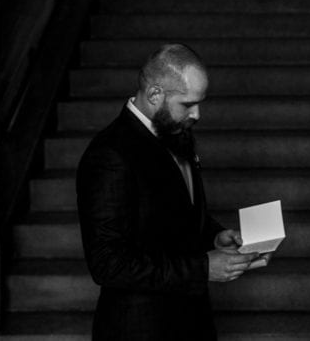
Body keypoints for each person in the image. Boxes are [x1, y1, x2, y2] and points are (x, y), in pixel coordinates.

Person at [76, 43, 261, 340]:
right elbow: (108, 264)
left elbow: (174, 212)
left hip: (192, 321)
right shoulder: (110, 154)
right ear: (154, 94)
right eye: (188, 104)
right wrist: (203, 268)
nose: (197, 114)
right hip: (141, 329)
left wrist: (213, 235)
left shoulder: (175, 131)